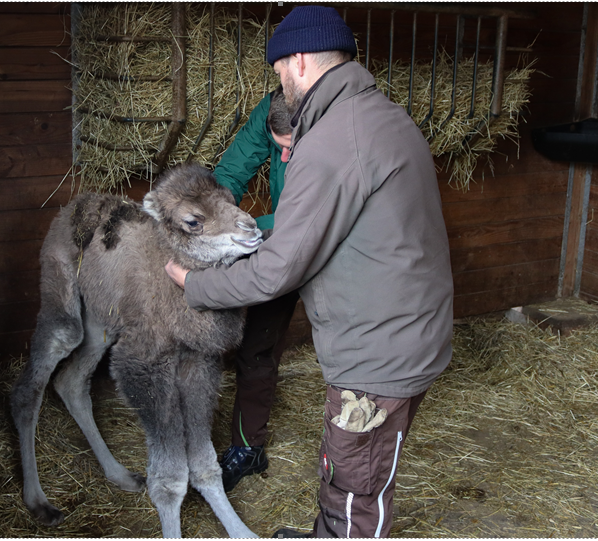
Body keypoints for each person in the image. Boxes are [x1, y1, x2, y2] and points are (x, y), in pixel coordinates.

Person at [167, 5, 454, 538]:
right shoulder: (383, 115)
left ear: (298, 60)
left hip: (378, 353)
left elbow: (277, 270)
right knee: (350, 470)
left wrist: (195, 284)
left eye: (279, 70)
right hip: (402, 329)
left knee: (354, 487)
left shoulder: (332, 140)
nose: (278, 81)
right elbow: (235, 172)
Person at [212, 86, 300, 492]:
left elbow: (311, 218)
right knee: (257, 343)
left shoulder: (338, 127)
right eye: (277, 146)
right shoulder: (274, 109)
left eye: (292, 149)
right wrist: (214, 218)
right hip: (285, 243)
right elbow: (231, 171)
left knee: (349, 352)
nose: (282, 157)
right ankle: (248, 449)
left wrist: (250, 231)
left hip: (339, 246)